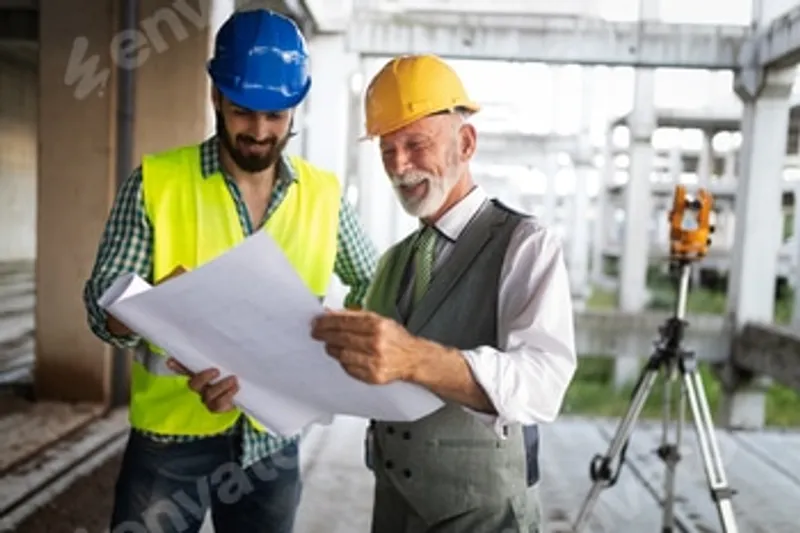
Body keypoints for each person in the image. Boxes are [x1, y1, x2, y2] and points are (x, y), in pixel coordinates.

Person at [82, 9, 378, 533]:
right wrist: (150, 309)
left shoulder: (325, 196)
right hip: (171, 441)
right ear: (216, 96)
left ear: (295, 107)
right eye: (243, 112)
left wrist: (331, 349)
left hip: (272, 441)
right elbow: (103, 305)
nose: (260, 132)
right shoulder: (157, 181)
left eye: (276, 116)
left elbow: (375, 284)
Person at [309, 54, 578, 532]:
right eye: (387, 150)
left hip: (484, 516)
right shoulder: (393, 260)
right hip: (393, 508)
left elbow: (543, 381)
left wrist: (415, 358)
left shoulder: (524, 243)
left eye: (415, 144)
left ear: (466, 142)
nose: (400, 166)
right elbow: (369, 374)